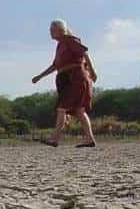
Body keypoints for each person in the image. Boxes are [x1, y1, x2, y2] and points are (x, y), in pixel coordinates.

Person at [32, 18, 98, 147]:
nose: (50, 32)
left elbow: (84, 53)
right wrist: (39, 76)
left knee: (62, 108)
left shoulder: (70, 40)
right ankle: (89, 139)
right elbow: (55, 66)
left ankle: (55, 139)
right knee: (79, 110)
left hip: (76, 78)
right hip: (67, 79)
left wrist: (92, 71)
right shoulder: (60, 45)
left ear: (60, 29)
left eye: (52, 30)